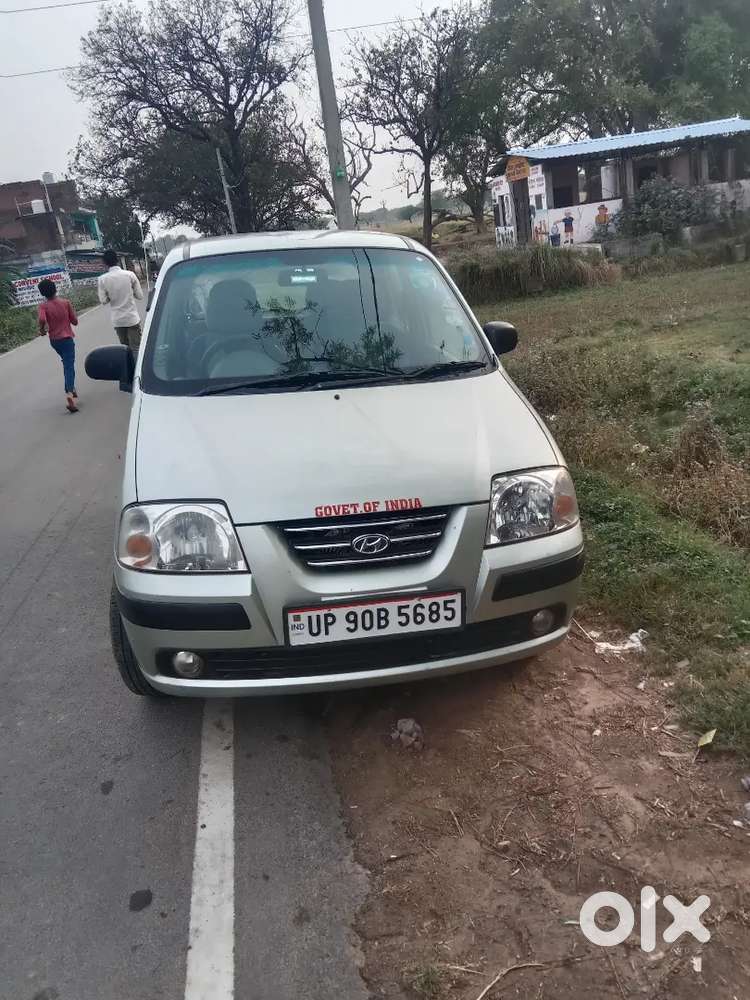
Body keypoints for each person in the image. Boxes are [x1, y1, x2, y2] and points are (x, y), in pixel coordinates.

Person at [37, 278, 79, 413]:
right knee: (69, 366)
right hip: (66, 339)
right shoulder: (65, 303)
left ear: (42, 293)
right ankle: (69, 394)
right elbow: (75, 321)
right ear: (55, 288)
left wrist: (42, 330)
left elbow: (42, 319)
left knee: (66, 363)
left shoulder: (43, 306)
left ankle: (72, 388)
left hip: (54, 341)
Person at [97, 249, 144, 351]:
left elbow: (103, 301)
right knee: (137, 348)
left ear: (105, 263)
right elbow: (140, 296)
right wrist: (130, 291)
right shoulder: (130, 275)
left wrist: (111, 294)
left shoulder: (102, 279)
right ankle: (138, 366)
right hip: (132, 318)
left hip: (118, 321)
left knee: (125, 349)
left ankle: (128, 367)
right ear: (117, 260)